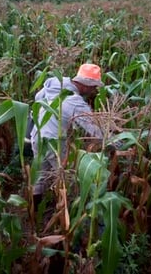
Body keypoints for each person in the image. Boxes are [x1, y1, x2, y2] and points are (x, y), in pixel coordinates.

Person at [29, 63, 105, 203]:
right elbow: (96, 130)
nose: (94, 91)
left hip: (37, 136)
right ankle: (68, 214)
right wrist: (116, 143)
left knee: (39, 176)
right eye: (94, 87)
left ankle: (33, 215)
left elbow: (37, 100)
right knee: (69, 181)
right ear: (85, 85)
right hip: (54, 144)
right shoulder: (74, 101)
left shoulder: (53, 85)